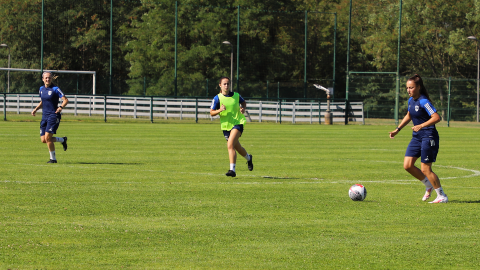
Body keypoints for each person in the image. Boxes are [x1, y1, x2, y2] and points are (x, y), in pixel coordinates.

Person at [389, 74, 448, 203]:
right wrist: (397, 129)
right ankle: (429, 185)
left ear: (419, 87)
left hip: (428, 136)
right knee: (407, 165)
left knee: (425, 168)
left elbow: (436, 117)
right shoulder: (411, 101)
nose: (409, 90)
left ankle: (442, 195)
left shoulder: (423, 101)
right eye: (407, 88)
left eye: (411, 87)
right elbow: (409, 115)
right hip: (417, 137)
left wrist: (421, 125)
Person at [210, 77, 253, 177]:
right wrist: (219, 110)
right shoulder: (217, 98)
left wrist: (243, 109)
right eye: (224, 84)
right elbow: (211, 112)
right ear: (220, 85)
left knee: (230, 145)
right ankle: (249, 158)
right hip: (226, 127)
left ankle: (232, 170)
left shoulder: (236, 95)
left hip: (238, 123)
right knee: (237, 147)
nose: (226, 85)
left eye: (228, 84)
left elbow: (243, 103)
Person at [31, 72, 69, 163]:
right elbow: (42, 101)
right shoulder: (41, 89)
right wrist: (36, 109)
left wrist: (60, 107)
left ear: (51, 78)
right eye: (46, 78)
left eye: (49, 78)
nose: (48, 79)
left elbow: (66, 100)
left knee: (48, 138)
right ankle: (63, 140)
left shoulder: (55, 89)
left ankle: (53, 159)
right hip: (44, 116)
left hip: (53, 115)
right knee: (44, 140)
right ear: (43, 79)